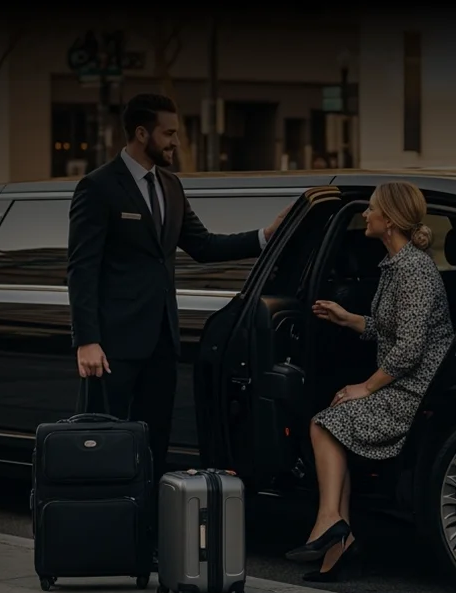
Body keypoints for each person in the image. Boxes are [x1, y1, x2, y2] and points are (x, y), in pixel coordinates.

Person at [66, 92, 289, 475]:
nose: (176, 142)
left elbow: (202, 245)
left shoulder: (171, 186)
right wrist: (87, 339)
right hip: (112, 347)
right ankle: (106, 522)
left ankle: (149, 522)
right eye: (168, 133)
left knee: (155, 441)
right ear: (141, 133)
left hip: (162, 343)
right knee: (105, 440)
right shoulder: (98, 187)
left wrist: (264, 236)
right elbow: (82, 268)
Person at [288, 181, 456, 581]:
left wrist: (366, 386)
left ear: (391, 220)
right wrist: (348, 318)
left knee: (323, 423)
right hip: (402, 382)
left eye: (372, 208)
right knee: (334, 415)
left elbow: (410, 349)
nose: (365, 213)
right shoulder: (395, 264)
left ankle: (330, 523)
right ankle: (337, 545)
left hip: (413, 392)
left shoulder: (413, 269)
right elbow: (387, 330)